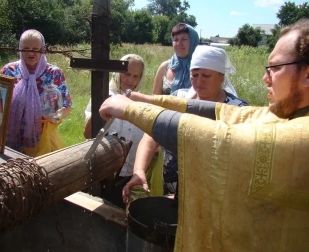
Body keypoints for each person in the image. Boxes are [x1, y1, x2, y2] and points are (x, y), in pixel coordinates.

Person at [98, 18, 309, 251]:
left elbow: (217, 137)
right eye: (194, 75)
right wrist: (148, 100)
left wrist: (130, 109)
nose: (265, 78)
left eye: (276, 68)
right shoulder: (292, 115)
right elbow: (221, 112)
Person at [157, 45, 248, 195]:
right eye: (194, 75)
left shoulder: (237, 110)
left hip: (212, 196)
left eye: (206, 76)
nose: (199, 82)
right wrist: (139, 170)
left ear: (222, 77)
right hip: (171, 193)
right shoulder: (178, 98)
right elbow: (153, 131)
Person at [0, 29, 72, 156]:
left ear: (43, 50)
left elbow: (67, 106)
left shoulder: (54, 73)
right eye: (25, 49)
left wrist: (57, 116)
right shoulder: (9, 70)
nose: (30, 53)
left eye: (35, 49)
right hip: (8, 143)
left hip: (43, 142)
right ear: (19, 49)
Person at [83, 54, 145, 207]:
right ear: (117, 73)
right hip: (102, 171)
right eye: (127, 74)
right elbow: (87, 133)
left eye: (136, 76)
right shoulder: (104, 96)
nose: (130, 80)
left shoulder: (142, 102)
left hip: (129, 174)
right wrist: (103, 108)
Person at [146, 23, 200, 196]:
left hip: (193, 131)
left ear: (193, 41)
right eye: (175, 39)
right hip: (165, 130)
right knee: (164, 177)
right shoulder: (165, 67)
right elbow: (155, 101)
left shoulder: (201, 67)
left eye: (185, 39)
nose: (179, 43)